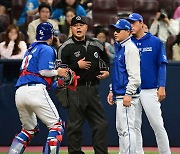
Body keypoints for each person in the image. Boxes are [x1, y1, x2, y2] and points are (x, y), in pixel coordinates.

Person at [8, 22, 68, 154]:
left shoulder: (30, 49)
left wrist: (58, 83)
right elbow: (43, 72)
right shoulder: (46, 49)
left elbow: (39, 78)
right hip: (34, 90)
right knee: (56, 127)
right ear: (51, 35)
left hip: (20, 92)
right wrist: (58, 72)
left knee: (28, 130)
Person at [57, 15, 110, 154]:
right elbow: (60, 72)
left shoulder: (96, 44)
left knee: (101, 125)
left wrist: (106, 71)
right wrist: (76, 65)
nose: (78, 27)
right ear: (71, 28)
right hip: (75, 89)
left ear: (86, 27)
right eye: (75, 25)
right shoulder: (65, 47)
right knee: (75, 127)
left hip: (93, 89)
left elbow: (105, 60)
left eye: (81, 25)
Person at [127, 13, 171, 154]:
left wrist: (162, 86)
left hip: (149, 89)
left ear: (141, 23)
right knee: (134, 126)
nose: (131, 26)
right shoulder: (128, 42)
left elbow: (162, 65)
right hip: (133, 90)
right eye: (129, 23)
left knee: (158, 125)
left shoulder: (155, 42)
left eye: (133, 23)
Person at [107, 19, 141, 154]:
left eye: (118, 30)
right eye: (114, 30)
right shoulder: (120, 47)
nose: (115, 33)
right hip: (120, 94)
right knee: (122, 130)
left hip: (126, 95)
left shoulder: (130, 49)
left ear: (128, 32)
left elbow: (135, 76)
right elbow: (118, 73)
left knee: (127, 129)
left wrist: (128, 93)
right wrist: (111, 90)